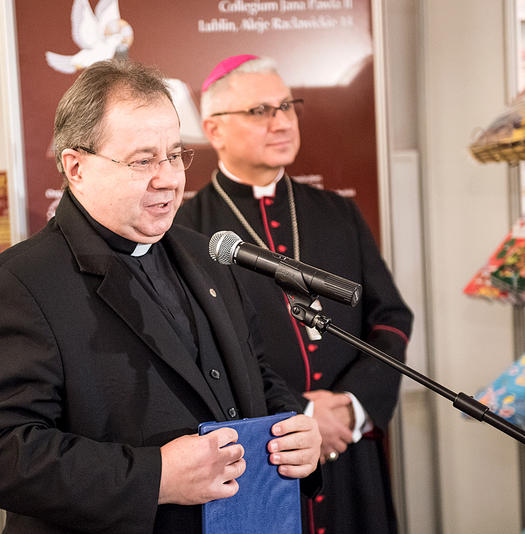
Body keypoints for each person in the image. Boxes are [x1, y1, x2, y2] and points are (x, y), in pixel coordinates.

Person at [0, 59, 322, 534]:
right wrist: (156, 477)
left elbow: (257, 375)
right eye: (143, 161)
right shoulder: (15, 285)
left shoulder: (208, 254)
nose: (169, 178)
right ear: (76, 167)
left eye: (175, 155)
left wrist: (294, 430)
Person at [174, 54, 414, 534]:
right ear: (214, 130)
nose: (282, 122)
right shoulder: (186, 230)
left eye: (287, 106)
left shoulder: (337, 212)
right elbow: (195, 356)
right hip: (264, 453)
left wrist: (352, 406)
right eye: (260, 111)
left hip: (349, 447)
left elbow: (390, 318)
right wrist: (301, 414)